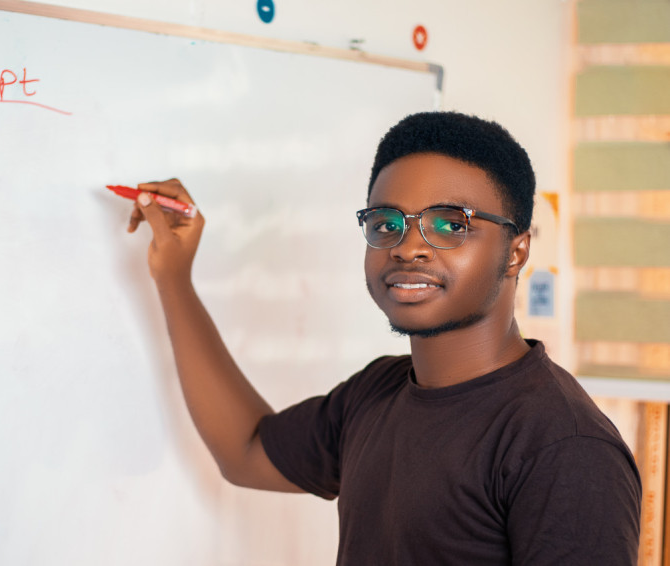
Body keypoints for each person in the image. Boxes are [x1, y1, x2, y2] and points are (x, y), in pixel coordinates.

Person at [124, 111, 641, 565]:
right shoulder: (378, 392)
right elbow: (246, 450)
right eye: (387, 222)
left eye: (450, 224)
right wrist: (174, 278)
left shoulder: (564, 447)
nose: (408, 246)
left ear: (516, 251)